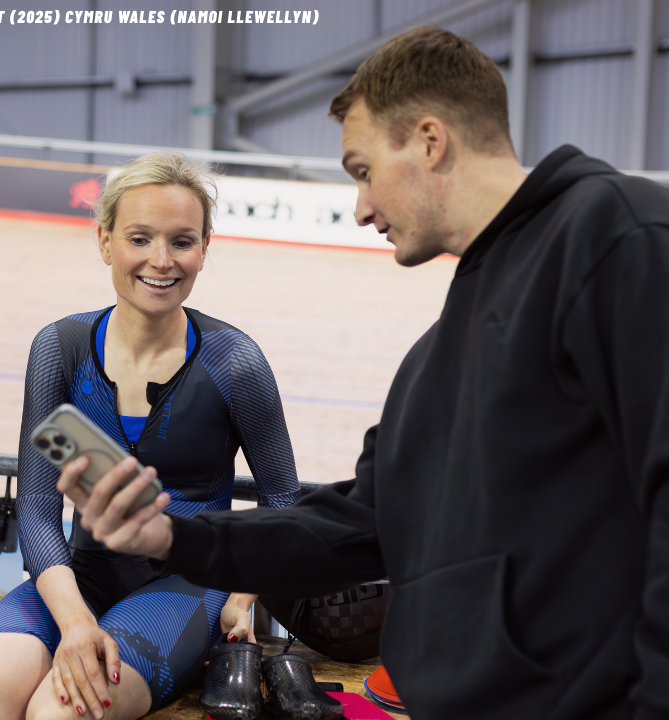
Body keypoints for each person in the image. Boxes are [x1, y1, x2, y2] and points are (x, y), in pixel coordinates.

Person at [58, 26, 669, 720]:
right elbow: (360, 525)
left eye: (362, 169)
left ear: (429, 141)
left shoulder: (617, 237)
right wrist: (174, 540)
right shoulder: (440, 349)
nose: (361, 209)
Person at [0, 152, 302, 720]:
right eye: (140, 238)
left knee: (59, 712)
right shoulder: (60, 349)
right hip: (81, 580)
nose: (161, 261)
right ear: (105, 240)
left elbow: (282, 497)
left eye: (182, 242)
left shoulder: (235, 362)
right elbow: (40, 511)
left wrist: (246, 592)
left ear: (205, 249)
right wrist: (75, 623)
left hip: (186, 587)